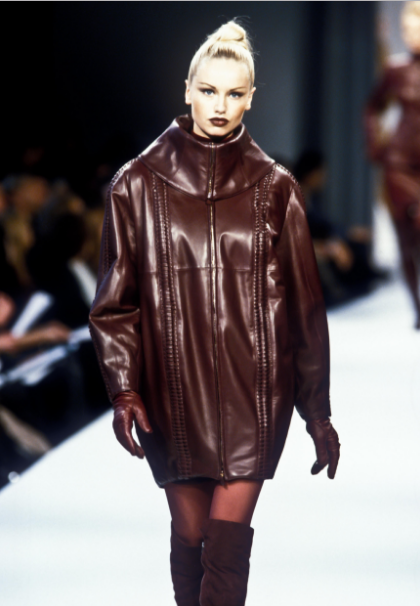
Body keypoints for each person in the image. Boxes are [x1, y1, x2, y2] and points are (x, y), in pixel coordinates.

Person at [89, 21, 340, 606]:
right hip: (171, 393)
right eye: (208, 91)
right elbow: (115, 304)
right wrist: (124, 389)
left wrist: (317, 411)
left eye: (233, 93)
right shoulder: (135, 185)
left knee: (226, 545)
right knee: (191, 535)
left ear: (251, 98)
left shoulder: (277, 189)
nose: (220, 105)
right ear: (187, 91)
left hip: (257, 393)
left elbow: (305, 309)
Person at [365, 1, 420, 328]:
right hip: (399, 164)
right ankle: (417, 308)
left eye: (415, 26)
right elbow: (372, 106)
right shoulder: (396, 70)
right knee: (406, 237)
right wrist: (376, 144)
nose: (410, 33)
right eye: (405, 28)